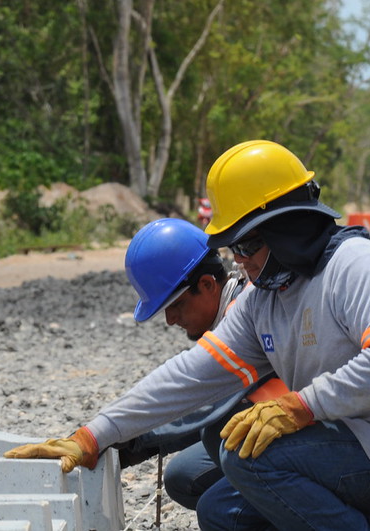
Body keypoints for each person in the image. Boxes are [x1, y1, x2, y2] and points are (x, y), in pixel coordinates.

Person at [5, 140, 370, 531]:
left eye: (247, 245)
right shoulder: (265, 298)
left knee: (244, 454)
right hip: (360, 441)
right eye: (234, 249)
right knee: (218, 510)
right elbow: (190, 375)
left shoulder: (358, 267)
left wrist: (302, 405)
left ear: (287, 226)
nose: (240, 262)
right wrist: (91, 436)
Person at [117, 217, 285, 510]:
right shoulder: (232, 302)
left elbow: (206, 403)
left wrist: (132, 439)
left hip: (309, 427)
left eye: (175, 306)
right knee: (184, 476)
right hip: (274, 429)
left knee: (216, 432)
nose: (169, 320)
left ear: (207, 285)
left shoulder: (244, 313)